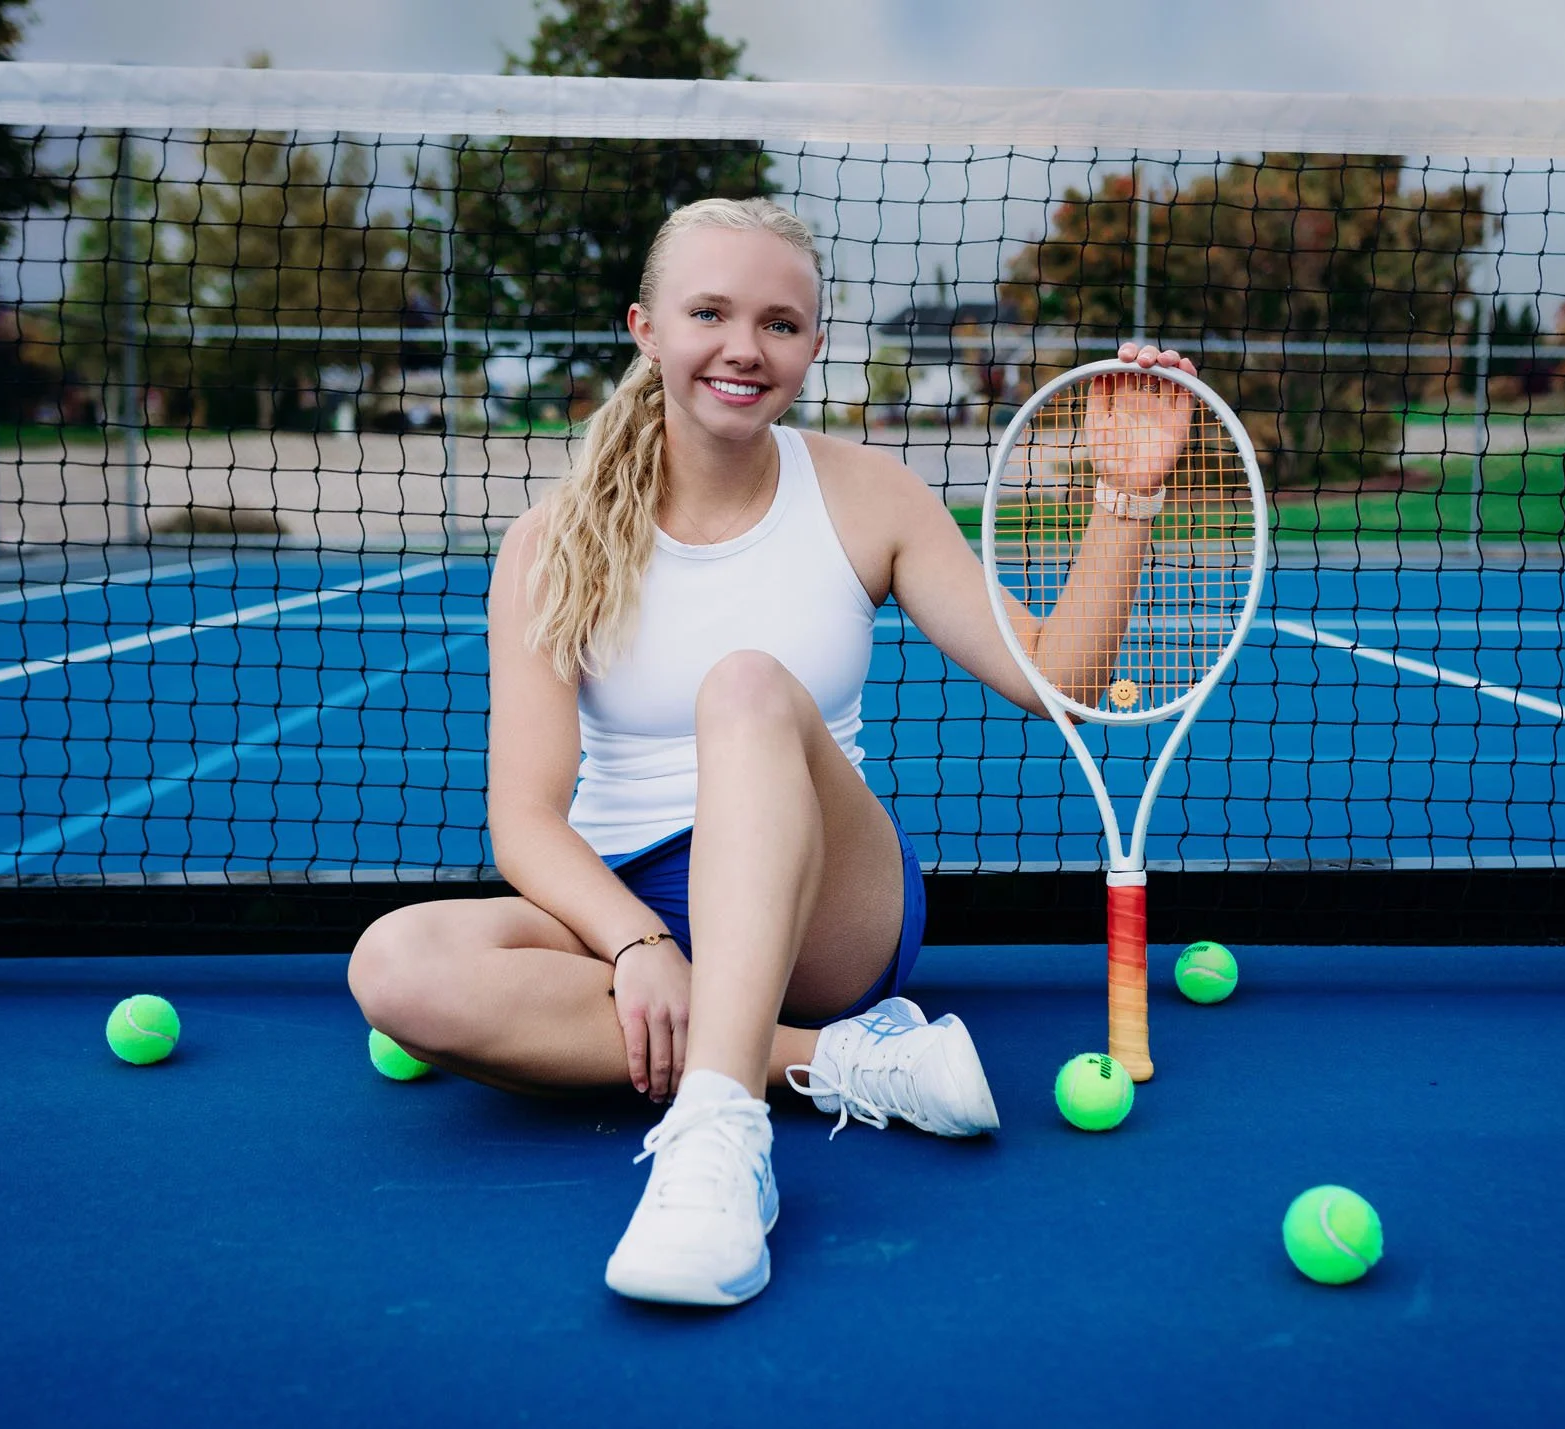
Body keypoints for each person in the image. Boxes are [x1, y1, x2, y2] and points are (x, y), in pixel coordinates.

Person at [347, 196, 1194, 1307]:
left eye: (780, 323)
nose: (744, 348)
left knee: (744, 686)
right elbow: (527, 818)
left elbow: (1063, 686)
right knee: (394, 967)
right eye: (709, 312)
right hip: (624, 906)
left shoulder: (866, 493)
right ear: (645, 327)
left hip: (827, 907)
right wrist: (637, 941)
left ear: (812, 343)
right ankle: (830, 1062)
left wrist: (1124, 499)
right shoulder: (547, 542)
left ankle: (719, 1132)